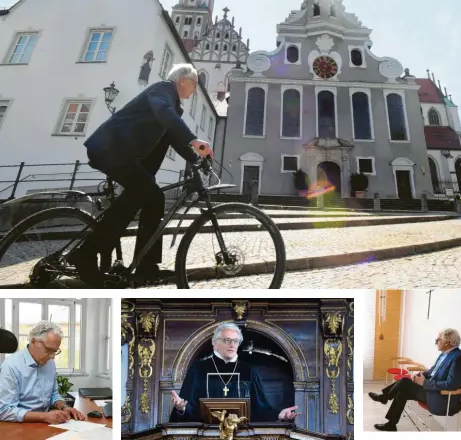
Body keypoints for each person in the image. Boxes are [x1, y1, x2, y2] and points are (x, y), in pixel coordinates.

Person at [68, 63, 213, 285]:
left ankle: (146, 265)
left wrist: (196, 159)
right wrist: (194, 139)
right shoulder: (163, 89)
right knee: (146, 193)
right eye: (194, 84)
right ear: (183, 80)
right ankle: (85, 254)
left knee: (154, 197)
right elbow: (163, 113)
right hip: (110, 149)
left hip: (123, 155)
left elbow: (172, 138)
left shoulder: (172, 105)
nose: (194, 91)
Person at [170, 322, 300, 423]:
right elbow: (189, 407)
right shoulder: (199, 369)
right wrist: (181, 408)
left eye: (235, 341)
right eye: (227, 340)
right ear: (215, 343)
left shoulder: (249, 371)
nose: (232, 345)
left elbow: (259, 409)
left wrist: (279, 414)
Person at [369, 328, 461, 431]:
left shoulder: (459, 358)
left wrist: (424, 382)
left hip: (441, 398)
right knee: (402, 391)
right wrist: (419, 375)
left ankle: (384, 397)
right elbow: (432, 372)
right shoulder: (443, 355)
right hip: (431, 391)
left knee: (404, 381)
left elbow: (451, 385)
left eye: (438, 340)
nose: (436, 342)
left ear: (448, 342)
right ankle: (391, 424)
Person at [0, 321, 86, 424]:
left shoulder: (50, 363)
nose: (53, 356)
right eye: (48, 350)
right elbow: (4, 410)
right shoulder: (11, 366)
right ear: (33, 342)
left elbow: (54, 394)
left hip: (45, 424)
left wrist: (64, 407)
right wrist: (44, 416)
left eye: (55, 351)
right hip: (19, 426)